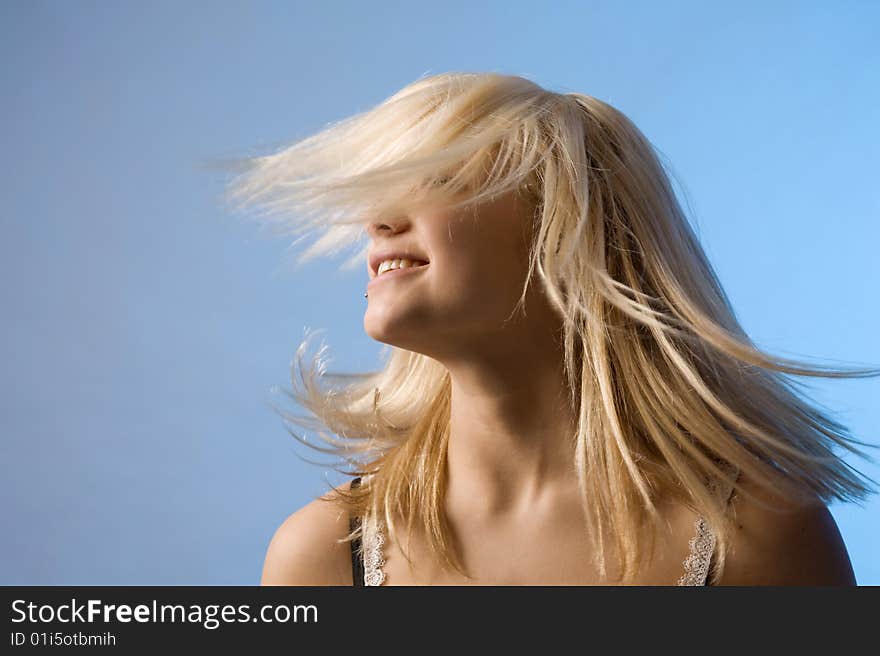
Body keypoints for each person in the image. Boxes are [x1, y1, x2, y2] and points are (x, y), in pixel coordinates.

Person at [223, 72, 877, 585]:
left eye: (438, 178)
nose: (377, 220)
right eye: (381, 189)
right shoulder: (322, 554)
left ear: (562, 229)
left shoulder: (762, 538)